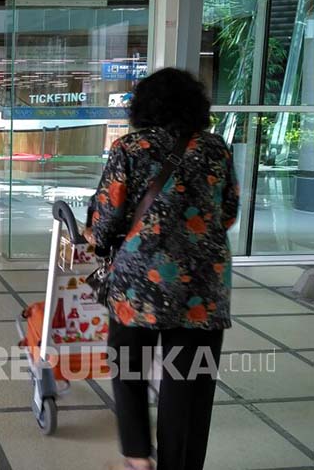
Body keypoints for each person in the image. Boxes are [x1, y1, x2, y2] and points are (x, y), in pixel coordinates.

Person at [89, 68, 239, 470]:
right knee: (189, 383)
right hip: (202, 286)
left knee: (129, 365)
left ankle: (138, 457)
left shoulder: (129, 148)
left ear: (143, 107)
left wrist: (101, 243)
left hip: (138, 283)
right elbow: (228, 210)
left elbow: (106, 217)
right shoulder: (216, 149)